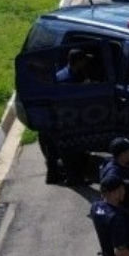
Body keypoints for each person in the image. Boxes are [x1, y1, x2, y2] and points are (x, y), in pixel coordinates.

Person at [42, 49, 91, 185]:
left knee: (52, 149)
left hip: (53, 119)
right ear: (78, 62)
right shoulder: (66, 80)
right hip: (62, 121)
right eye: (83, 60)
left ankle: (52, 176)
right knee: (70, 151)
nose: (85, 62)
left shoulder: (65, 73)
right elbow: (70, 100)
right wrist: (84, 88)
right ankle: (74, 178)